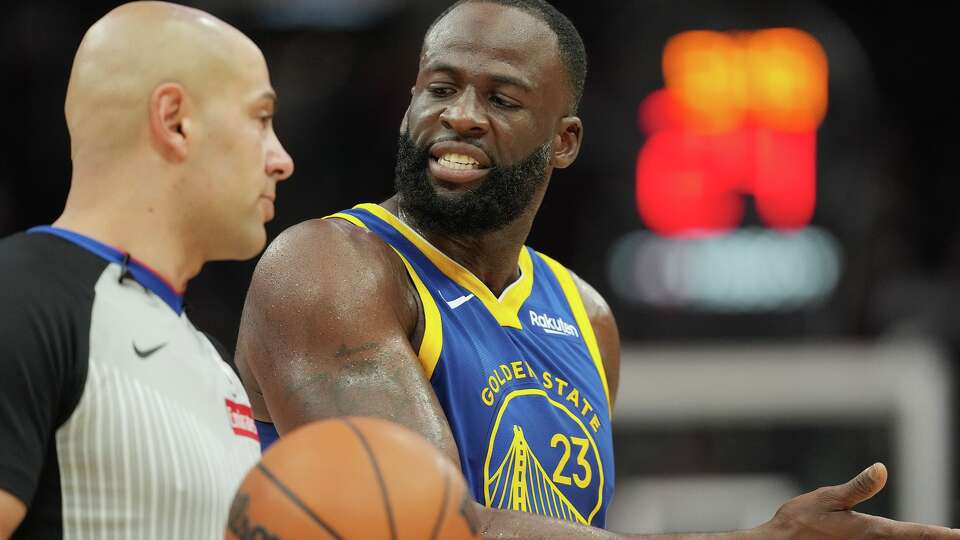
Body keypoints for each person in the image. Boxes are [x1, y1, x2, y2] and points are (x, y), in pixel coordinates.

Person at [235, 0, 957, 538]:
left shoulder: (587, 317)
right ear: (408, 108)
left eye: (501, 97)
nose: (459, 115)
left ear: (564, 142)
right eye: (440, 88)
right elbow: (430, 521)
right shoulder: (329, 268)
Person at [0, 2, 294, 538]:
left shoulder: (216, 367)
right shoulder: (19, 298)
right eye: (261, 118)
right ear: (174, 121)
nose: (281, 159)